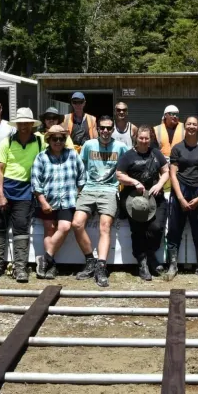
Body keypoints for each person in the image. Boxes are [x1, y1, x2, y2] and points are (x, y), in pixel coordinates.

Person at [71, 115, 129, 287]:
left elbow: (127, 168)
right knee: (77, 224)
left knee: (105, 226)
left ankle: (101, 267)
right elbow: (81, 168)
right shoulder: (88, 145)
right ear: (96, 128)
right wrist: (79, 189)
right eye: (102, 128)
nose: (105, 131)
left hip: (109, 190)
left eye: (109, 128)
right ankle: (90, 261)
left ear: (113, 129)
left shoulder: (120, 147)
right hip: (89, 189)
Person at [0, 107, 43, 282]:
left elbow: (61, 142)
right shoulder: (7, 142)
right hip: (4, 188)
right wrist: (0, 195)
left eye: (27, 123)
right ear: (17, 124)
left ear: (31, 124)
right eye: (20, 123)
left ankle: (20, 267)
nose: (24, 126)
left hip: (25, 191)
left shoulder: (40, 142)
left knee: (21, 229)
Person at [31, 125, 86, 280]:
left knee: (65, 227)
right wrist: (42, 201)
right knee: (49, 230)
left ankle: (45, 258)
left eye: (61, 139)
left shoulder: (73, 155)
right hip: (47, 200)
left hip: (68, 201)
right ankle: (51, 266)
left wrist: (77, 193)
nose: (58, 142)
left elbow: (82, 176)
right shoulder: (41, 157)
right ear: (49, 140)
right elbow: (35, 182)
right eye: (54, 138)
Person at [116, 125, 169, 281]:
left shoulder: (156, 153)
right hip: (134, 199)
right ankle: (142, 262)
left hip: (155, 197)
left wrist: (159, 185)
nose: (144, 141)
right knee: (138, 231)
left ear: (150, 139)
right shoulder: (128, 156)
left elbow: (166, 171)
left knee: (157, 227)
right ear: (136, 138)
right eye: (141, 138)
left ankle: (151, 253)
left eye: (147, 138)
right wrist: (134, 182)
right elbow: (119, 174)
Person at [166, 116, 198, 280]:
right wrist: (180, 198)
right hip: (180, 190)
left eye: (194, 124)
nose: (191, 127)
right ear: (184, 127)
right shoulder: (177, 148)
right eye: (188, 124)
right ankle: (172, 266)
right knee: (174, 229)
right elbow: (172, 173)